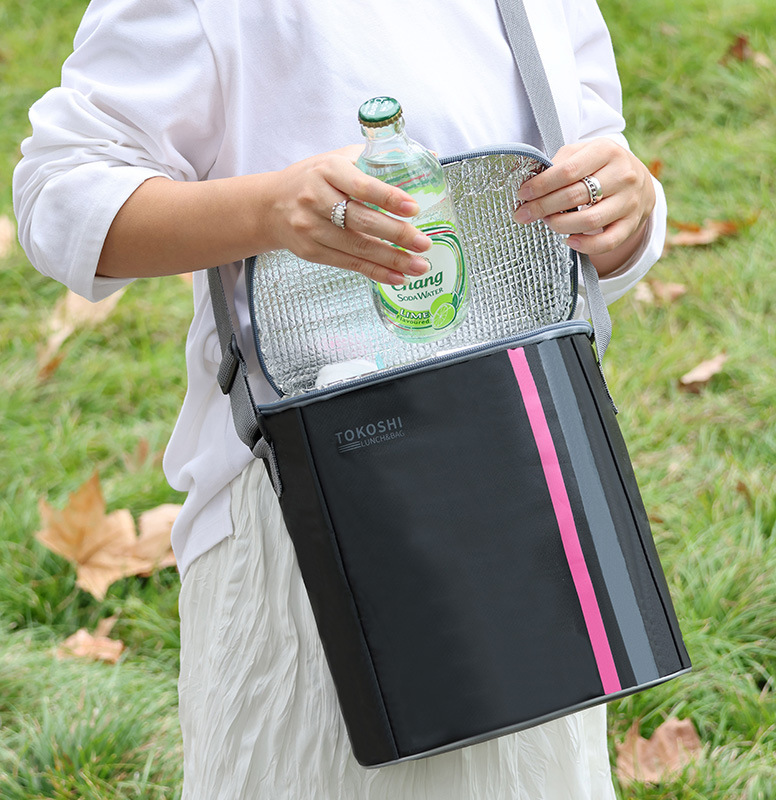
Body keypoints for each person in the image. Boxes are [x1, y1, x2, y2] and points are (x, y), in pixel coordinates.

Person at [13, 0, 667, 797]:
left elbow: (589, 202)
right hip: (320, 513)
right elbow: (59, 195)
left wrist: (626, 213)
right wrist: (269, 210)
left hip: (531, 477)